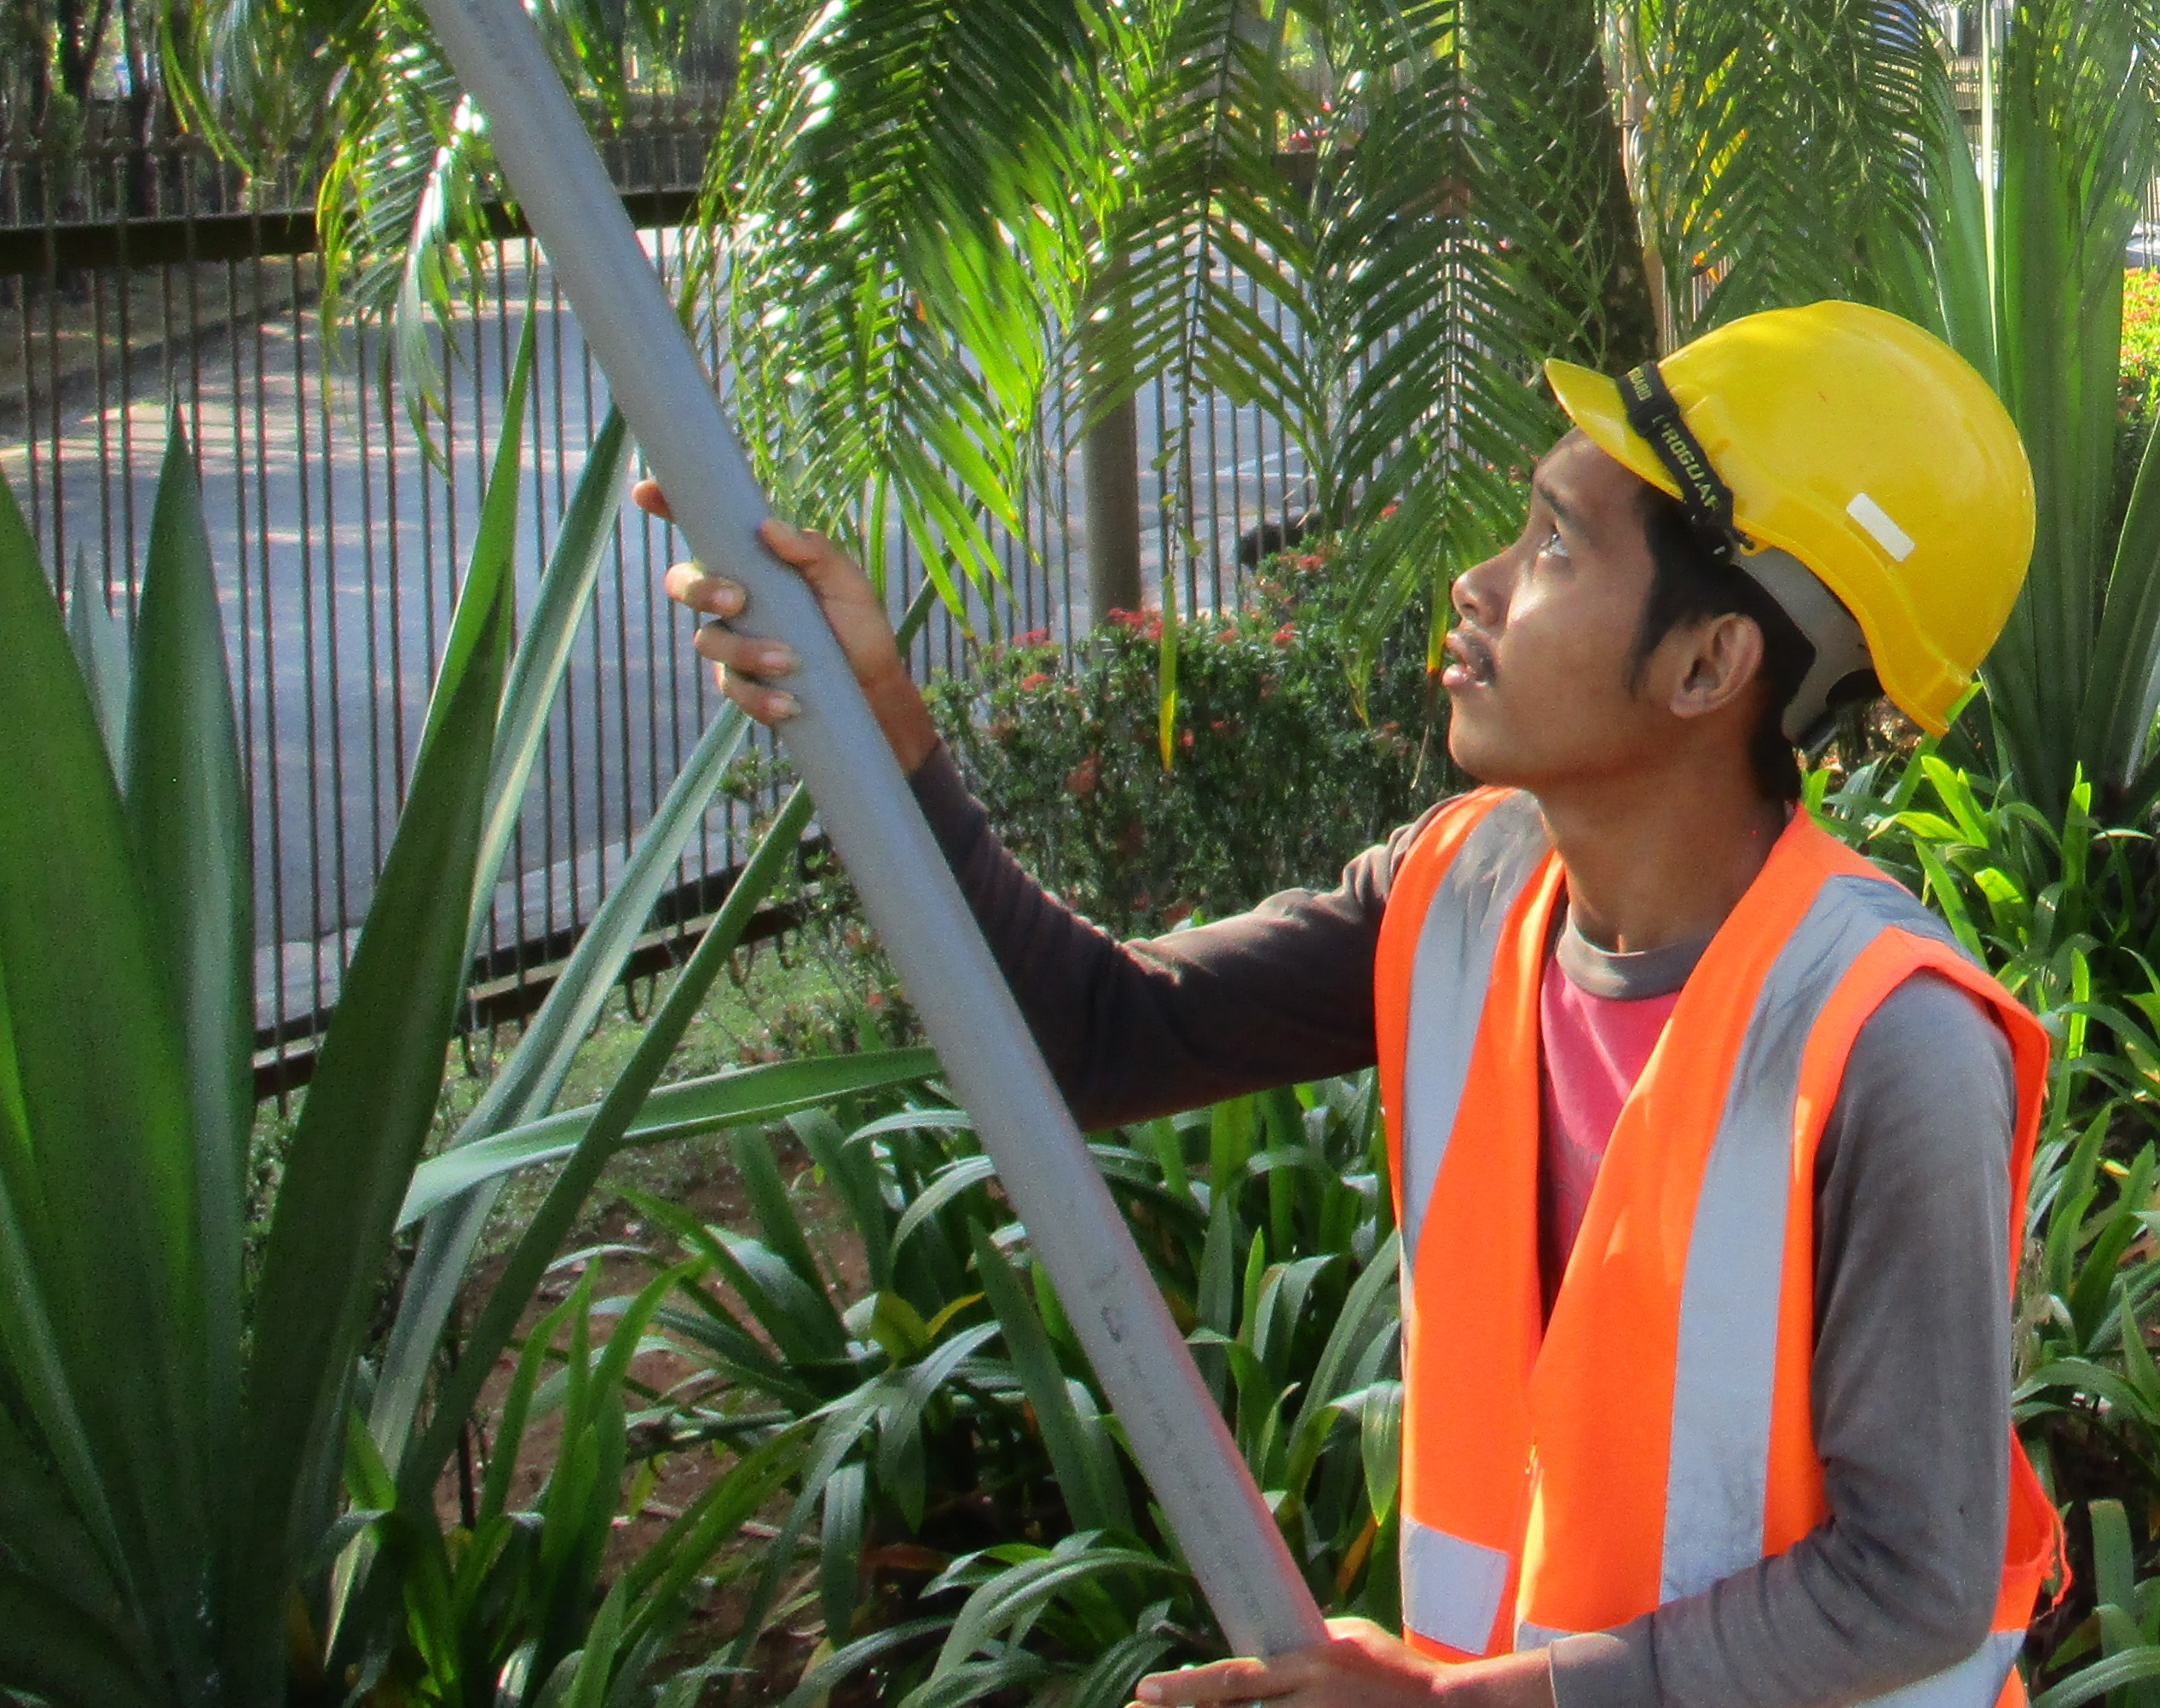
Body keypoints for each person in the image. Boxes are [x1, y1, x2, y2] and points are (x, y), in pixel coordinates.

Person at [657, 303, 2054, 1708]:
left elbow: (1908, 1580)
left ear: (1708, 663)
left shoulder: (1888, 1045)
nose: (1480, 579)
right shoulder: (1461, 894)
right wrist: (885, 720)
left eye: (1557, 543)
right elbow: (1086, 1033)